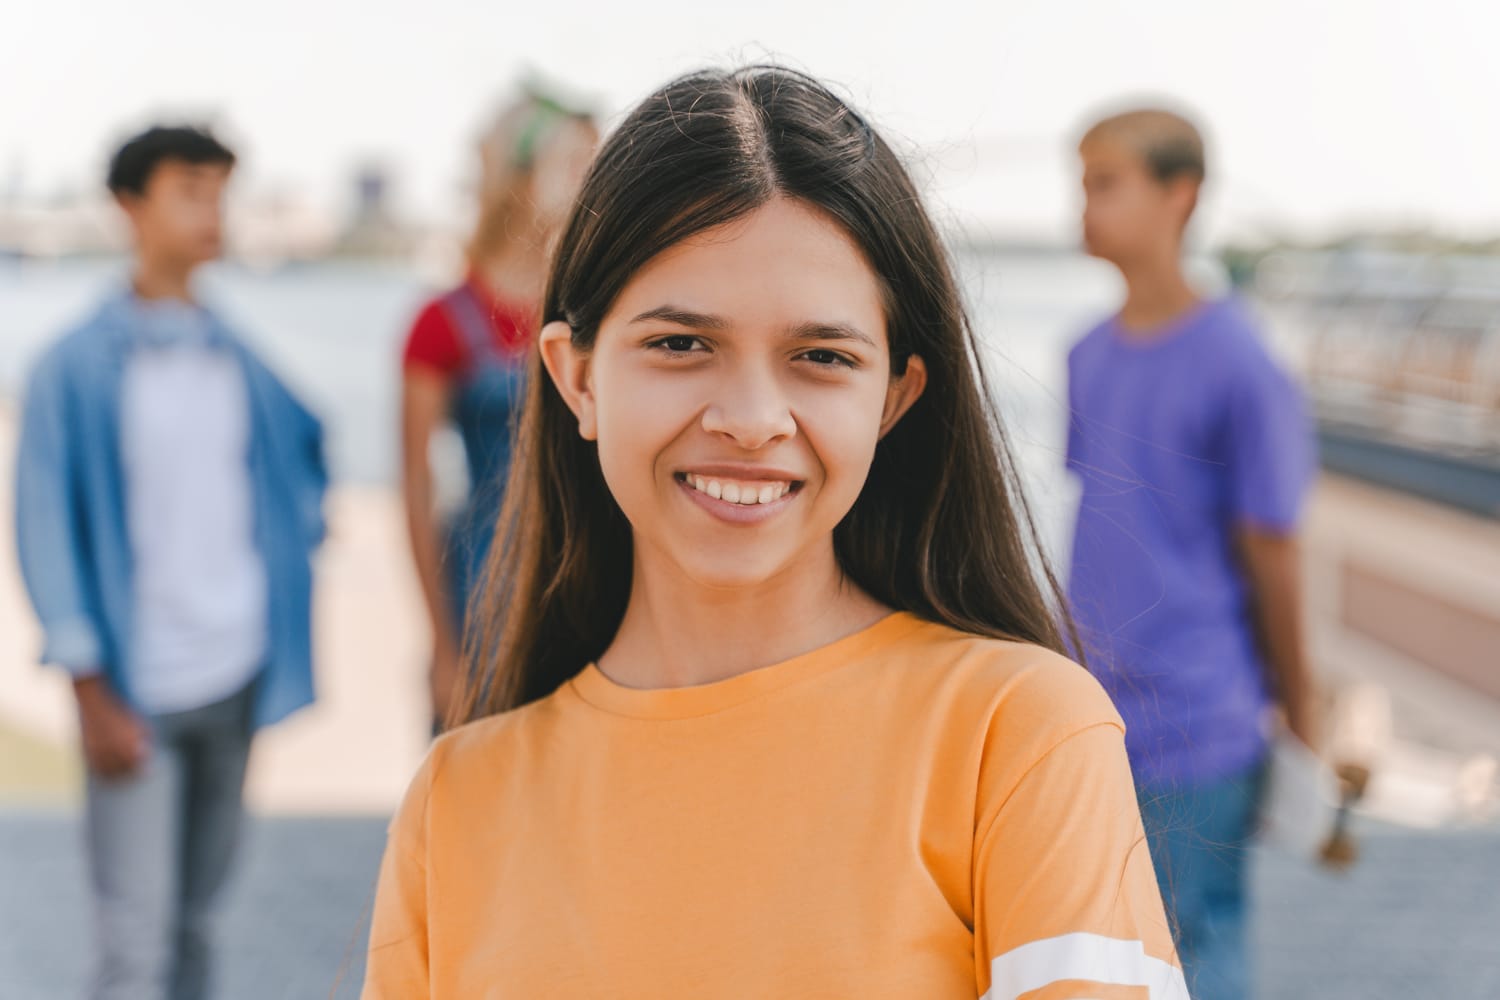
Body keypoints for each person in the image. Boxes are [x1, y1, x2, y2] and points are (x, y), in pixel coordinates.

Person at [362, 66, 1185, 999]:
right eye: (681, 343)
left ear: (895, 397)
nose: (753, 418)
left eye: (821, 357)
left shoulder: (1021, 734)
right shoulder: (454, 804)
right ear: (577, 376)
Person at [13, 125, 327, 1000]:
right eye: (190, 189)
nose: (211, 212)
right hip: (134, 691)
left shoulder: (237, 355)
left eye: (221, 192)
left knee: (196, 927)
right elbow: (44, 530)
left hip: (236, 676)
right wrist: (86, 687)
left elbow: (307, 454)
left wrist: (298, 553)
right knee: (133, 947)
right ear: (128, 204)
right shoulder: (70, 368)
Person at [1064, 108, 1318, 1000]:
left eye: (1105, 182)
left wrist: (1302, 713)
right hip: (1092, 712)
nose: (1082, 205)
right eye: (1081, 182)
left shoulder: (1242, 362)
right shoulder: (1085, 354)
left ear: (1182, 195)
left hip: (1200, 721)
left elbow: (1274, 549)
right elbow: (1094, 523)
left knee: (1196, 950)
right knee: (1104, 952)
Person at [399, 86, 597, 730]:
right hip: (485, 591)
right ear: (521, 173)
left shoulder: (602, 308)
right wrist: (441, 646)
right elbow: (415, 487)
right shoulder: (441, 321)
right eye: (574, 163)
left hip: (596, 583)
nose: (590, 181)